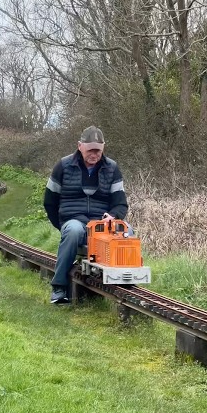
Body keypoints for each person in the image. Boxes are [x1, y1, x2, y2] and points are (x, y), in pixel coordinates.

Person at [42, 126, 128, 304]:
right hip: (74, 220)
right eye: (90, 150)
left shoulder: (112, 168)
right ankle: (59, 287)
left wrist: (113, 216)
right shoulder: (63, 166)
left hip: (101, 224)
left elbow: (120, 203)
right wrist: (62, 225)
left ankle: (124, 286)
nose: (94, 154)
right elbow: (50, 201)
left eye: (98, 150)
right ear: (80, 146)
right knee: (73, 231)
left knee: (128, 232)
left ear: (103, 148)